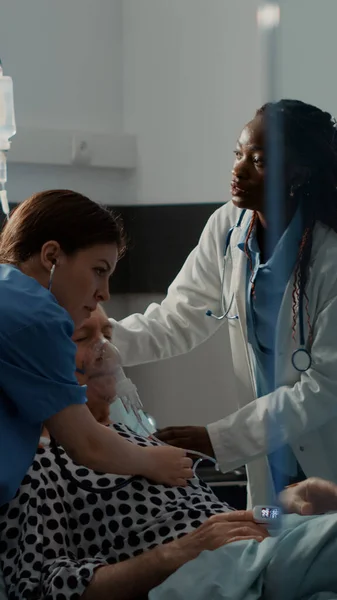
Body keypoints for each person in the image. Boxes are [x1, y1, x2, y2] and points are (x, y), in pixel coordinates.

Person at [110, 100, 337, 506]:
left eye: (259, 160)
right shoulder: (227, 228)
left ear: (297, 175)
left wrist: (219, 439)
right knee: (275, 558)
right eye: (238, 154)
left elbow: (326, 385)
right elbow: (179, 317)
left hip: (327, 448)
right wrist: (100, 343)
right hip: (270, 458)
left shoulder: (330, 255)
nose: (238, 169)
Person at [0, 305, 268, 600]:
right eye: (81, 338)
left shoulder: (143, 444)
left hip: (267, 547)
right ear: (38, 366)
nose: (106, 349)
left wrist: (282, 509)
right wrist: (178, 553)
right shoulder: (39, 461)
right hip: (230, 575)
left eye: (107, 334)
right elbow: (40, 588)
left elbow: (232, 520)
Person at [0, 190, 193, 508]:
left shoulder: (9, 293)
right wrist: (154, 462)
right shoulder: (38, 315)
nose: (103, 293)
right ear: (52, 256)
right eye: (99, 271)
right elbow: (88, 444)